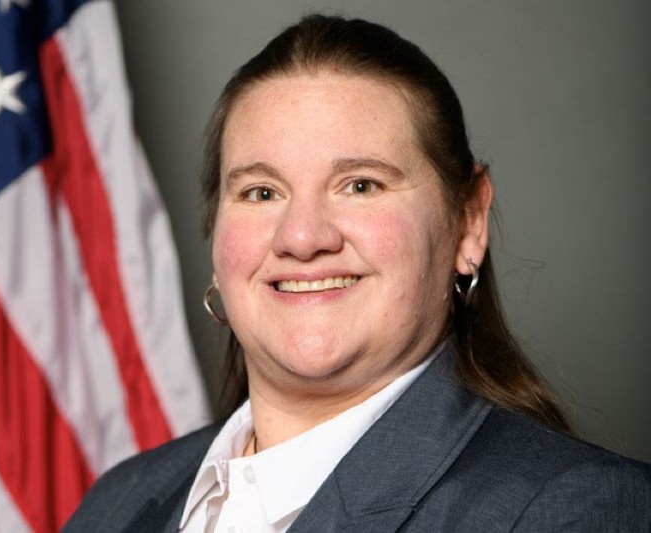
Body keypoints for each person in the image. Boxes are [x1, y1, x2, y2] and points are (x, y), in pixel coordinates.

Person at [64, 14, 651, 532]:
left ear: (468, 223)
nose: (302, 238)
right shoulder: (117, 503)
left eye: (361, 185)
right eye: (262, 192)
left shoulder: (573, 509)